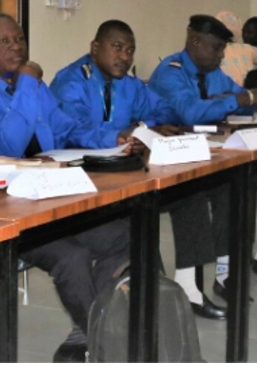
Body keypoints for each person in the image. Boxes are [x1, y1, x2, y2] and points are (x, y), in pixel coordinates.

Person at [0, 13, 130, 363]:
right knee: (72, 258)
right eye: (4, 42)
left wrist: (115, 138)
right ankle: (107, 345)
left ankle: (92, 326)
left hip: (45, 197)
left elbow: (67, 128)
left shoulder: (31, 87)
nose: (16, 47)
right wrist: (29, 82)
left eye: (19, 39)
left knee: (122, 234)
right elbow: (10, 143)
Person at [49, 19, 228, 320]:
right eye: (117, 48)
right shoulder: (72, 81)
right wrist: (118, 136)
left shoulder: (128, 84)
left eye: (130, 50)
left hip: (124, 172)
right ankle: (133, 312)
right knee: (136, 224)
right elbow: (72, 129)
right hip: (84, 179)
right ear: (95, 48)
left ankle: (189, 290)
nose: (125, 57)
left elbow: (163, 110)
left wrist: (142, 127)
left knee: (189, 195)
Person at [149, 14, 257, 286]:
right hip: (176, 161)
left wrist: (231, 100)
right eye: (216, 48)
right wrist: (236, 99)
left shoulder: (214, 73)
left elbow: (247, 103)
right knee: (229, 184)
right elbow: (191, 112)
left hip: (214, 151)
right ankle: (215, 275)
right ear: (194, 42)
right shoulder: (170, 72)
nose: (220, 56)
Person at [215, 11, 257, 86]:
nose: (245, 36)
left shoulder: (212, 52)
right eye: (244, 32)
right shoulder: (249, 49)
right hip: (248, 95)